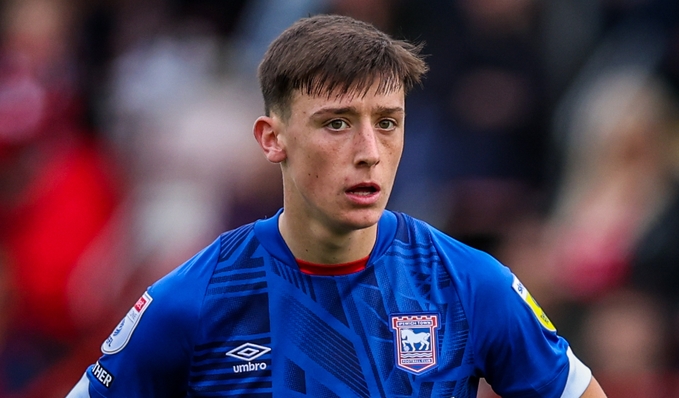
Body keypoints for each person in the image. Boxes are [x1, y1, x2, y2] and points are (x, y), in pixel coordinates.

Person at [66, 14, 606, 397]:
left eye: (387, 123)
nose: (369, 153)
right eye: (337, 123)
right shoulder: (194, 300)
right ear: (272, 138)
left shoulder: (467, 284)